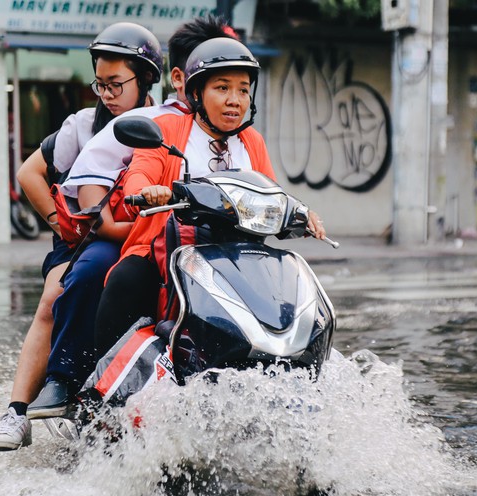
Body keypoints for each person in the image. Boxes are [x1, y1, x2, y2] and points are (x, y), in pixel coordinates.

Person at [24, 16, 240, 420]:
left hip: (210, 243)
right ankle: (84, 388)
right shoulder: (152, 123)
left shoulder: (243, 135)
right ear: (181, 78)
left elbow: (265, 183)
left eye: (238, 85)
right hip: (129, 236)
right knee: (91, 277)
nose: (231, 95)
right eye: (219, 82)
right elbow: (116, 177)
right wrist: (80, 225)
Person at [93, 37, 327, 363]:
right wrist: (149, 190)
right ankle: (100, 386)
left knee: (296, 299)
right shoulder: (169, 129)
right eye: (222, 88)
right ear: (197, 93)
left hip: (241, 256)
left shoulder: (252, 142)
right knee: (125, 279)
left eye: (243, 90)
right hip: (166, 249)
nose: (235, 100)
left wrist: (301, 212)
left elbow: (273, 191)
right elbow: (140, 171)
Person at [0, 22, 164, 451]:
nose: (106, 94)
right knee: (56, 294)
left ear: (145, 81)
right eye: (99, 84)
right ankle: (24, 407)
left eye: (115, 84)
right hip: (89, 240)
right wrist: (57, 220)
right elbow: (29, 172)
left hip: (153, 237)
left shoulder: (169, 122)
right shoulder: (83, 126)